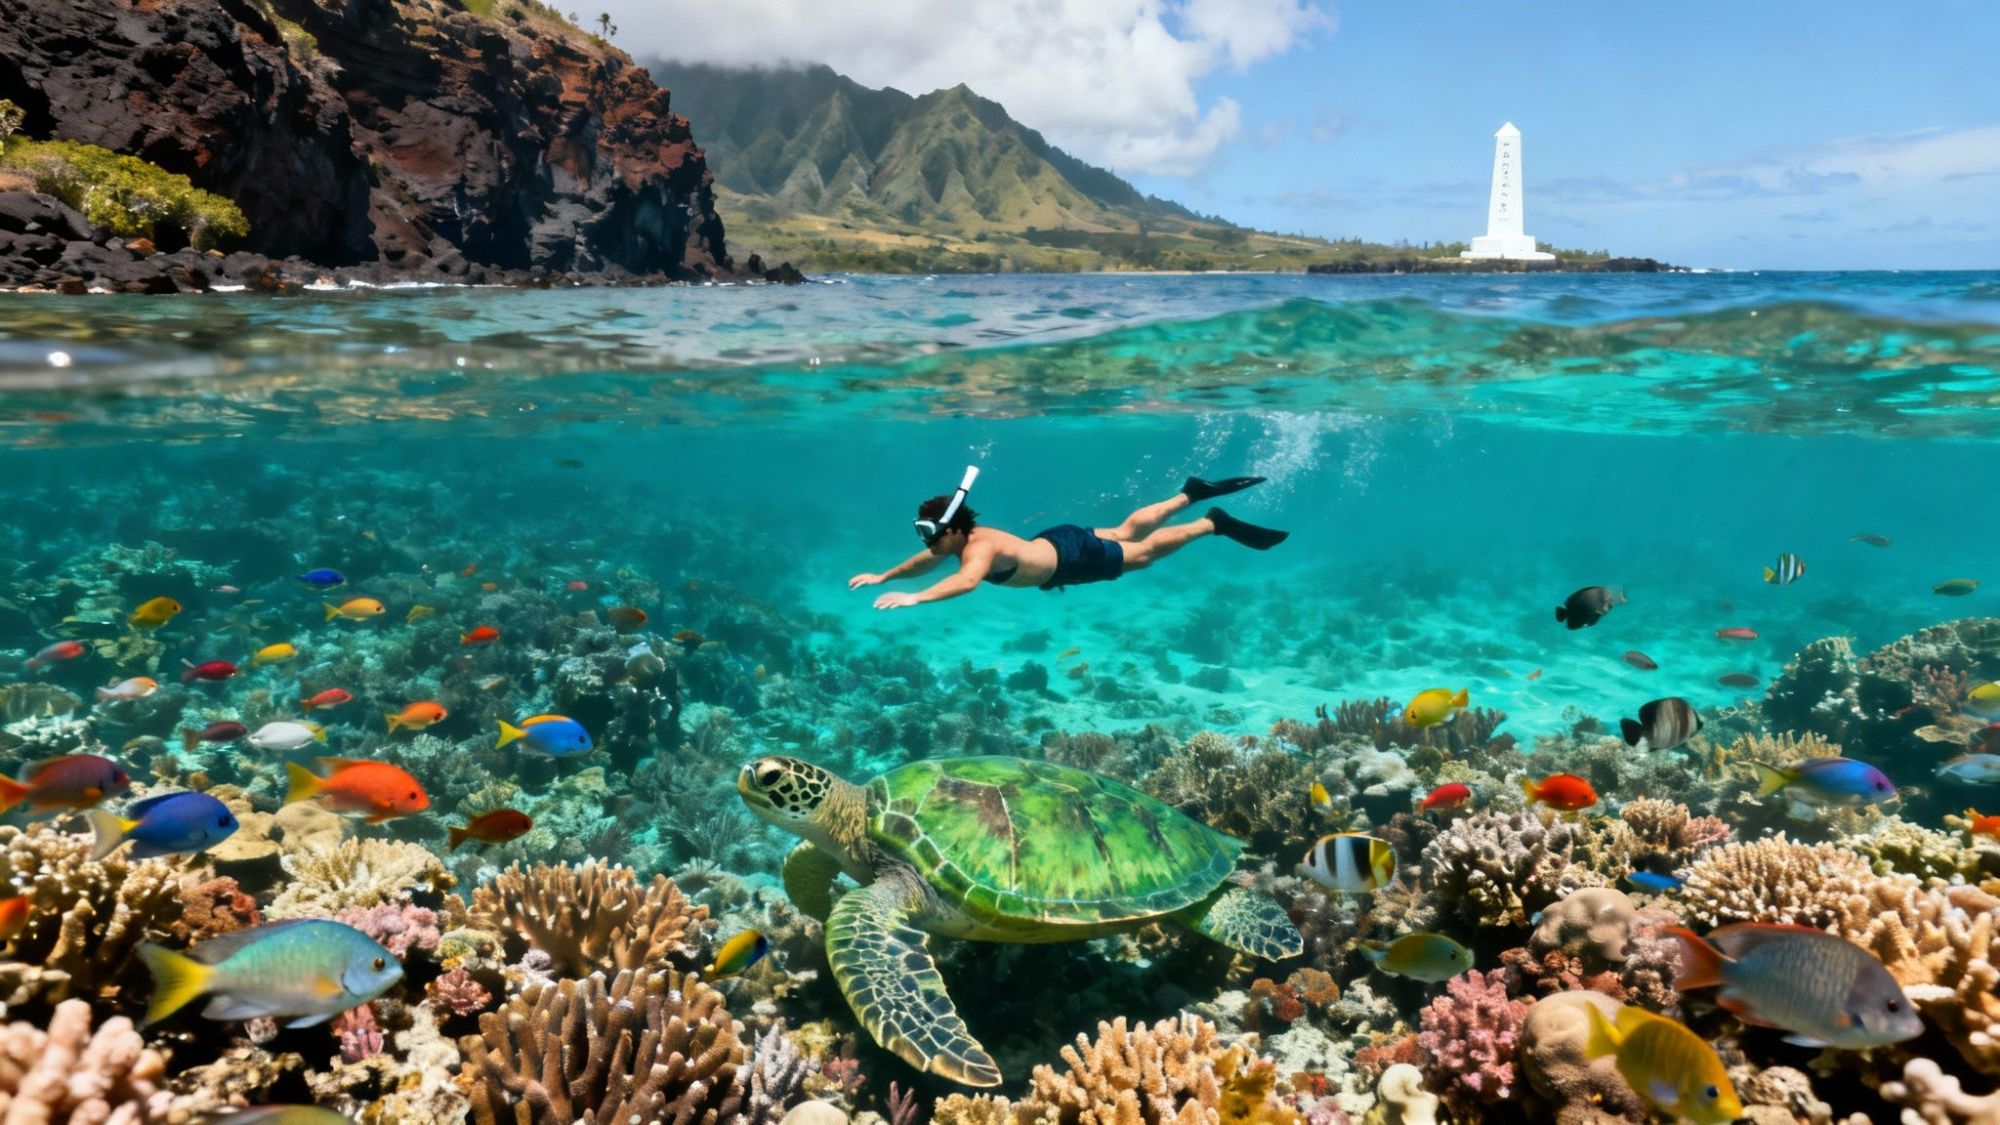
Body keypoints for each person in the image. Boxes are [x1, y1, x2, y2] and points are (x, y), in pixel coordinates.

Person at [849, 467, 1288, 610]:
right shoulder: (965, 539)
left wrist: (913, 599)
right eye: (922, 533)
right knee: (1126, 530)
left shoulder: (977, 549)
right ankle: (1188, 493)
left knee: (1144, 553)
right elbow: (925, 562)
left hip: (1072, 560)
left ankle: (1212, 522)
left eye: (931, 533)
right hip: (1057, 541)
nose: (927, 543)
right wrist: (885, 576)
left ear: (956, 529)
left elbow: (965, 582)